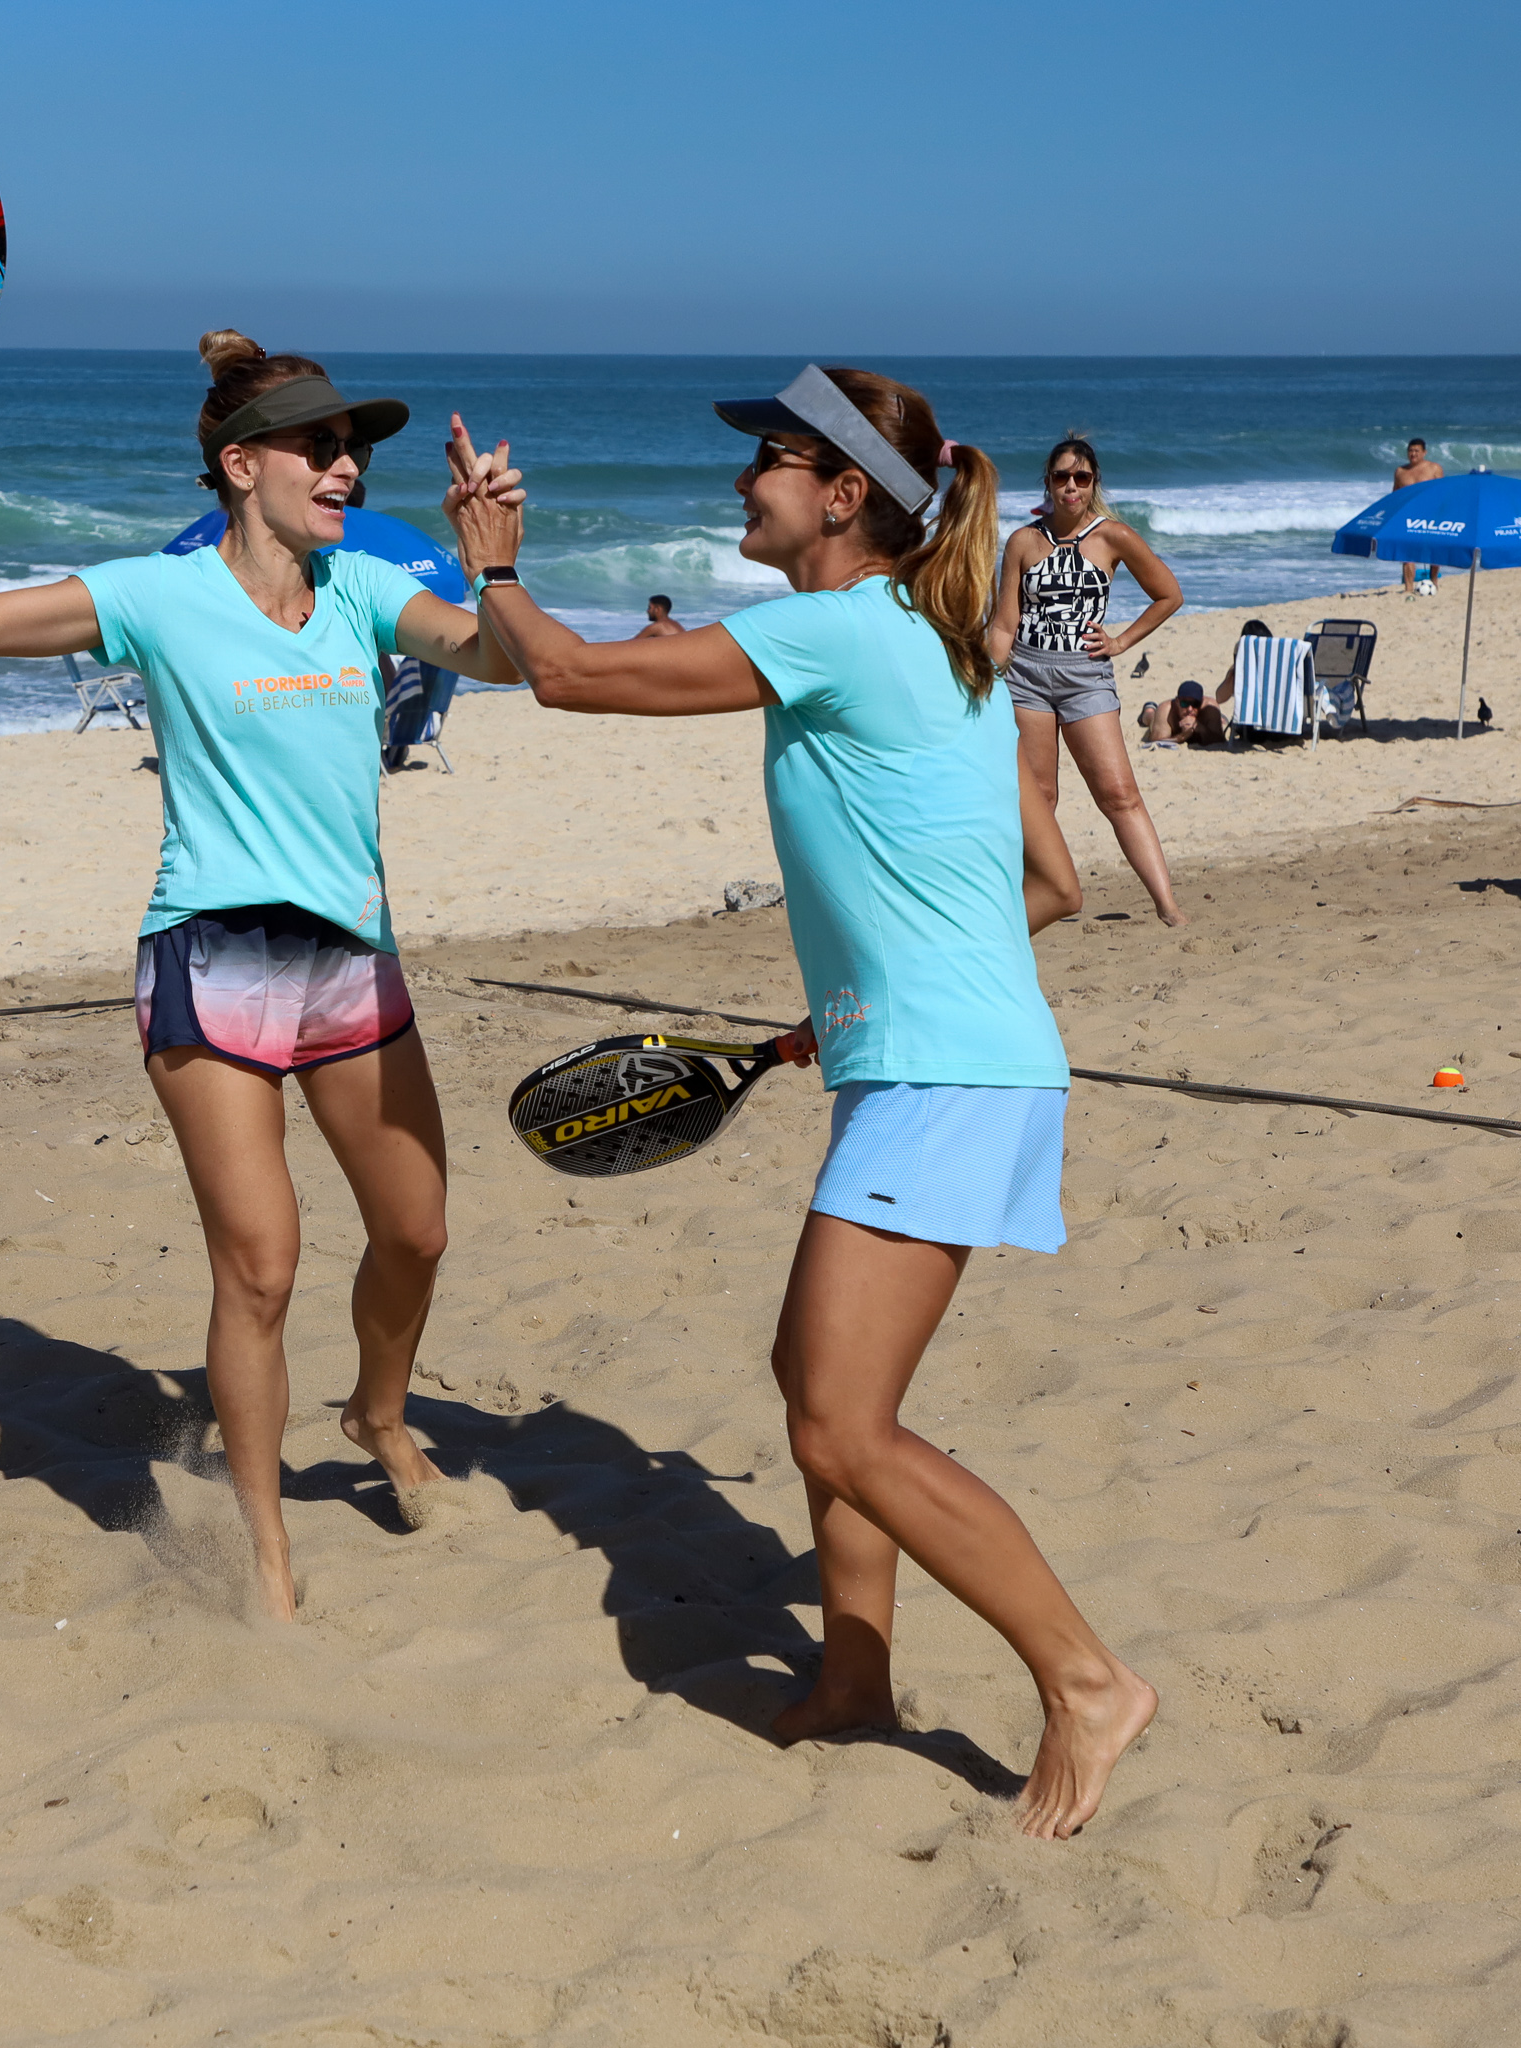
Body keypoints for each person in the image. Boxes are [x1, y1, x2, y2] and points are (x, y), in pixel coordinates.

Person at [441, 366, 1156, 1841]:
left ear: (842, 495)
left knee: (837, 1426)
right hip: (936, 1059)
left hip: (943, 1078)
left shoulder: (837, 629)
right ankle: (850, 1678)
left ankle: (1084, 1681)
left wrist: (493, 565)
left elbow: (567, 677)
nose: (739, 482)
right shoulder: (943, 646)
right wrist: (842, 1011)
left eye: (765, 459)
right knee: (827, 1397)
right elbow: (1050, 884)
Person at [0, 328, 525, 1620]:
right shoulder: (155, 595)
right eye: (319, 446)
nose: (344, 467)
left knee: (414, 1233)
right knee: (263, 1266)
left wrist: (493, 566)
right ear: (242, 467)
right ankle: (268, 1563)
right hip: (210, 959)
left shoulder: (361, 593)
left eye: (351, 449)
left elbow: (505, 660)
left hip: (352, 962)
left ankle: (375, 1414)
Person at [987, 439, 1190, 927]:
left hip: (1086, 678)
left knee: (1119, 794)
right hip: (1025, 677)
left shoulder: (1113, 536)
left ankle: (1168, 908)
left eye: (1081, 477)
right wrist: (984, 676)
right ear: (1048, 483)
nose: (1071, 486)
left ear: (1094, 481)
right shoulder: (1022, 541)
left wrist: (1120, 643)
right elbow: (1003, 625)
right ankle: (1029, 901)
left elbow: (1169, 594)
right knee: (1040, 797)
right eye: (1061, 477)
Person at [1393, 439, 1444, 591]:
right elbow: (1395, 495)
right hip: (1408, 517)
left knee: (1434, 551)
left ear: (1424, 452)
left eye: (1417, 451)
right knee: (1408, 553)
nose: (1413, 454)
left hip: (1431, 515)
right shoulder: (1400, 472)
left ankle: (1434, 580)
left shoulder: (1434, 468)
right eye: (1411, 450)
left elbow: (1443, 494)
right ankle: (1408, 588)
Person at [1138, 678, 1228, 746]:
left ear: (1201, 702)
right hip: (1160, 718)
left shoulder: (1209, 706)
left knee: (1218, 720)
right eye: (1184, 703)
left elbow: (1220, 740)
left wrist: (1200, 728)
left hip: (1205, 720)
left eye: (1195, 704)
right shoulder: (1166, 709)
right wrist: (1180, 737)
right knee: (1151, 718)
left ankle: (1220, 718)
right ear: (1177, 702)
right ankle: (1149, 708)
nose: (1189, 709)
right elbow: (1155, 740)